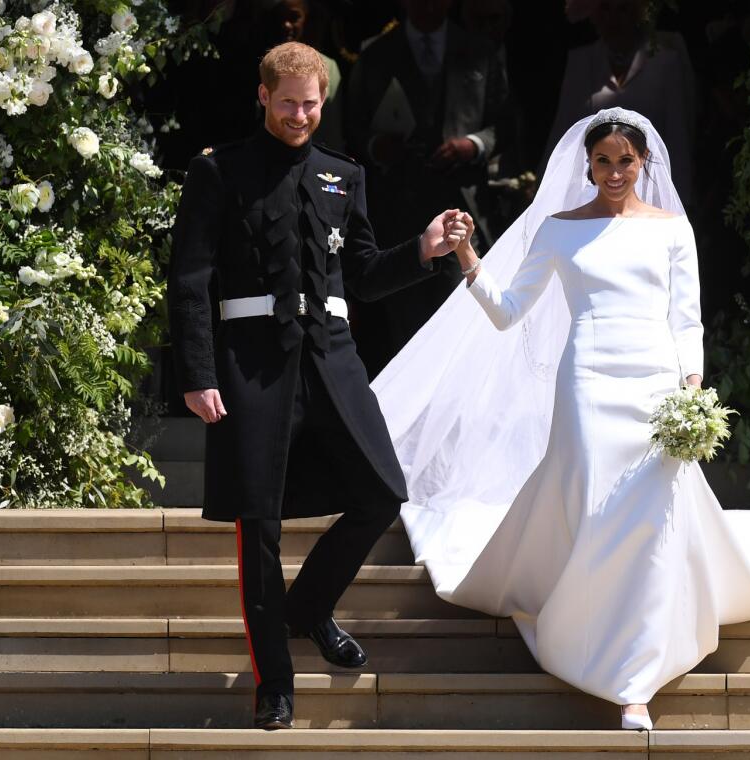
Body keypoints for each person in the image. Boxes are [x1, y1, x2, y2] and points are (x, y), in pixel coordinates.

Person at [371, 108, 750, 729]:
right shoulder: (558, 229)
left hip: (657, 383)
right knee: (593, 503)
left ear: (643, 164)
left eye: (625, 161)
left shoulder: (671, 230)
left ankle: (636, 678)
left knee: (650, 517)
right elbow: (506, 312)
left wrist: (692, 391)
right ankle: (605, 651)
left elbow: (687, 319)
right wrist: (469, 256)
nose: (613, 172)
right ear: (588, 164)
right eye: (602, 161)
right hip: (585, 381)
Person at [167, 41, 467, 731]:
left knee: (381, 492)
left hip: (331, 360)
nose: (300, 115)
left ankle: (306, 612)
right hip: (249, 365)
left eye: (311, 103)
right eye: (288, 102)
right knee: (259, 524)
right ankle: (275, 682)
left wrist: (422, 251)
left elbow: (360, 274)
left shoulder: (343, 174)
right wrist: (198, 373)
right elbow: (190, 280)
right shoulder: (220, 171)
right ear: (264, 97)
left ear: (322, 101)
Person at [345, 0, 510, 372]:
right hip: (399, 214)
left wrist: (473, 145)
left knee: (468, 318)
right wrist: (378, 146)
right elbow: (353, 127)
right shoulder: (377, 53)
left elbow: (507, 124)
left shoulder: (480, 50)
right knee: (408, 331)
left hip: (462, 207)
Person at [544, 0, 697, 209]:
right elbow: (563, 132)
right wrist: (546, 197)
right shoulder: (580, 61)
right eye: (605, 8)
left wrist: (679, 202)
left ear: (637, 13)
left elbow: (677, 136)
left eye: (623, 8)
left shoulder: (664, 62)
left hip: (652, 195)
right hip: (591, 195)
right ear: (594, 15)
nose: (614, 18)